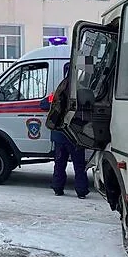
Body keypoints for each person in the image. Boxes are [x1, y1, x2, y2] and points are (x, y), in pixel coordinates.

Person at [41, 65, 89, 199]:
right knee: (79, 165)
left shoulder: (59, 90)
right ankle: (81, 191)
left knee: (60, 163)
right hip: (76, 135)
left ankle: (58, 188)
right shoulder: (83, 91)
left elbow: (43, 105)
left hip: (60, 135)